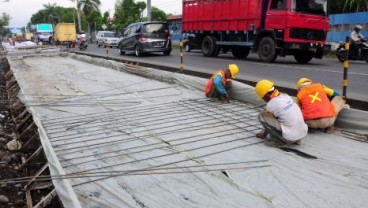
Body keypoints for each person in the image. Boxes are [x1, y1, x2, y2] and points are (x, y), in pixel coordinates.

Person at [255, 79, 308, 144]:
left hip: (290, 138)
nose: (263, 99)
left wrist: (264, 134)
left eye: (262, 97)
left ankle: (278, 141)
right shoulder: (285, 96)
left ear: (266, 95)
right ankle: (296, 139)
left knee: (262, 115)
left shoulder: (271, 104)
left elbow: (271, 121)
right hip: (302, 134)